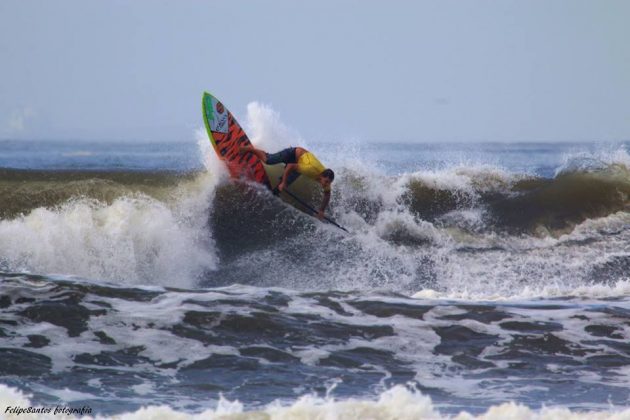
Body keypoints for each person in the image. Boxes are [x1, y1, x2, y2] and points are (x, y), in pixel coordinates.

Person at [239, 145, 334, 219]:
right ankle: (250, 149)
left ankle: (269, 196)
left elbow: (327, 194)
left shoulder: (326, 179)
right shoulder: (310, 169)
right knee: (268, 160)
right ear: (322, 176)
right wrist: (283, 182)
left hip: (300, 162)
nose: (326, 184)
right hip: (293, 154)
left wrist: (321, 210)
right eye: (326, 181)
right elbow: (290, 166)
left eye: (328, 183)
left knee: (278, 190)